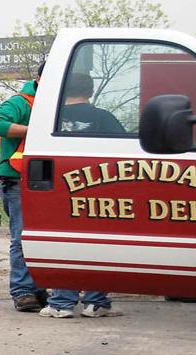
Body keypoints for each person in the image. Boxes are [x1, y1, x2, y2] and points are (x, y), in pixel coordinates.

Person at [41, 72, 126, 318]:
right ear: (90, 92)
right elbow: (125, 152)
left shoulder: (49, 119)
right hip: (98, 191)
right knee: (97, 245)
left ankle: (61, 303)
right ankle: (95, 302)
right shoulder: (103, 118)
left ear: (64, 90)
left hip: (56, 192)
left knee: (63, 245)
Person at [0, 64, 44, 312]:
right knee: (22, 237)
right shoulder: (21, 102)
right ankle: (22, 291)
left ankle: (39, 288)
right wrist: (38, 133)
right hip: (19, 179)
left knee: (40, 239)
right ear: (39, 78)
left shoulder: (54, 101)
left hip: (44, 179)